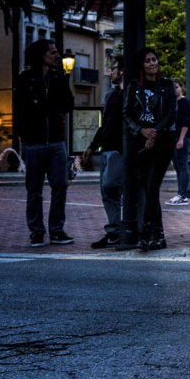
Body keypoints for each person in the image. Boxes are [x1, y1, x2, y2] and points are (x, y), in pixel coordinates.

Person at [14, 39, 74, 247]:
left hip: (56, 142)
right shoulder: (25, 79)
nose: (57, 55)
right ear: (42, 55)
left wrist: (43, 104)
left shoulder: (59, 78)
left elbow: (68, 104)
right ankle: (37, 232)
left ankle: (56, 230)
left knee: (61, 186)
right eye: (53, 52)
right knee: (34, 190)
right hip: (33, 143)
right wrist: (23, 138)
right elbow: (21, 110)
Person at [122, 48, 177, 252]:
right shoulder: (134, 86)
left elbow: (172, 113)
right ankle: (159, 235)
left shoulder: (167, 84)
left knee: (152, 186)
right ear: (141, 65)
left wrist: (154, 133)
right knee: (148, 187)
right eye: (147, 61)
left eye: (155, 59)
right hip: (140, 142)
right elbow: (127, 113)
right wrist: (141, 131)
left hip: (163, 141)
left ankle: (146, 233)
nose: (153, 63)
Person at [81, 57, 125, 248]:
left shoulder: (130, 94)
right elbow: (105, 123)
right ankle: (114, 230)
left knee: (111, 186)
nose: (111, 72)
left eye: (114, 68)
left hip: (118, 150)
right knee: (106, 191)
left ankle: (123, 228)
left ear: (122, 71)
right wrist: (92, 146)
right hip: (107, 150)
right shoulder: (111, 94)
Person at [167, 78, 190, 206]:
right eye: (173, 87)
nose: (175, 89)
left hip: (181, 138)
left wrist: (181, 139)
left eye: (177, 87)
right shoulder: (172, 103)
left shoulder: (184, 103)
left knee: (183, 166)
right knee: (178, 167)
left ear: (182, 88)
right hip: (174, 138)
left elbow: (185, 122)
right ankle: (180, 193)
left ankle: (183, 195)